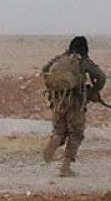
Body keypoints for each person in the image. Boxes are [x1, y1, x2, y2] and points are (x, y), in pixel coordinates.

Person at [41, 35, 106, 178]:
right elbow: (101, 77)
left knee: (59, 131)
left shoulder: (60, 58)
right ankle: (65, 167)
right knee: (76, 133)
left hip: (58, 100)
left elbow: (45, 69)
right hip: (75, 102)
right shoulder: (83, 61)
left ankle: (53, 142)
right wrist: (94, 89)